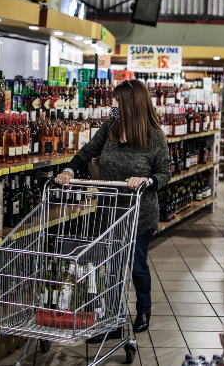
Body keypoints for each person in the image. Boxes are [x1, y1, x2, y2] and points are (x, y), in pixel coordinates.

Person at [56, 79, 171, 337]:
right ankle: (113, 319)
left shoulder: (154, 137)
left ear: (130, 104)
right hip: (109, 211)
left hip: (139, 213)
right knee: (113, 265)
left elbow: (165, 173)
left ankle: (144, 309)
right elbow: (87, 152)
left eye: (117, 100)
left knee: (136, 264)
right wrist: (68, 169)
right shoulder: (110, 127)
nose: (112, 104)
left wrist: (146, 180)